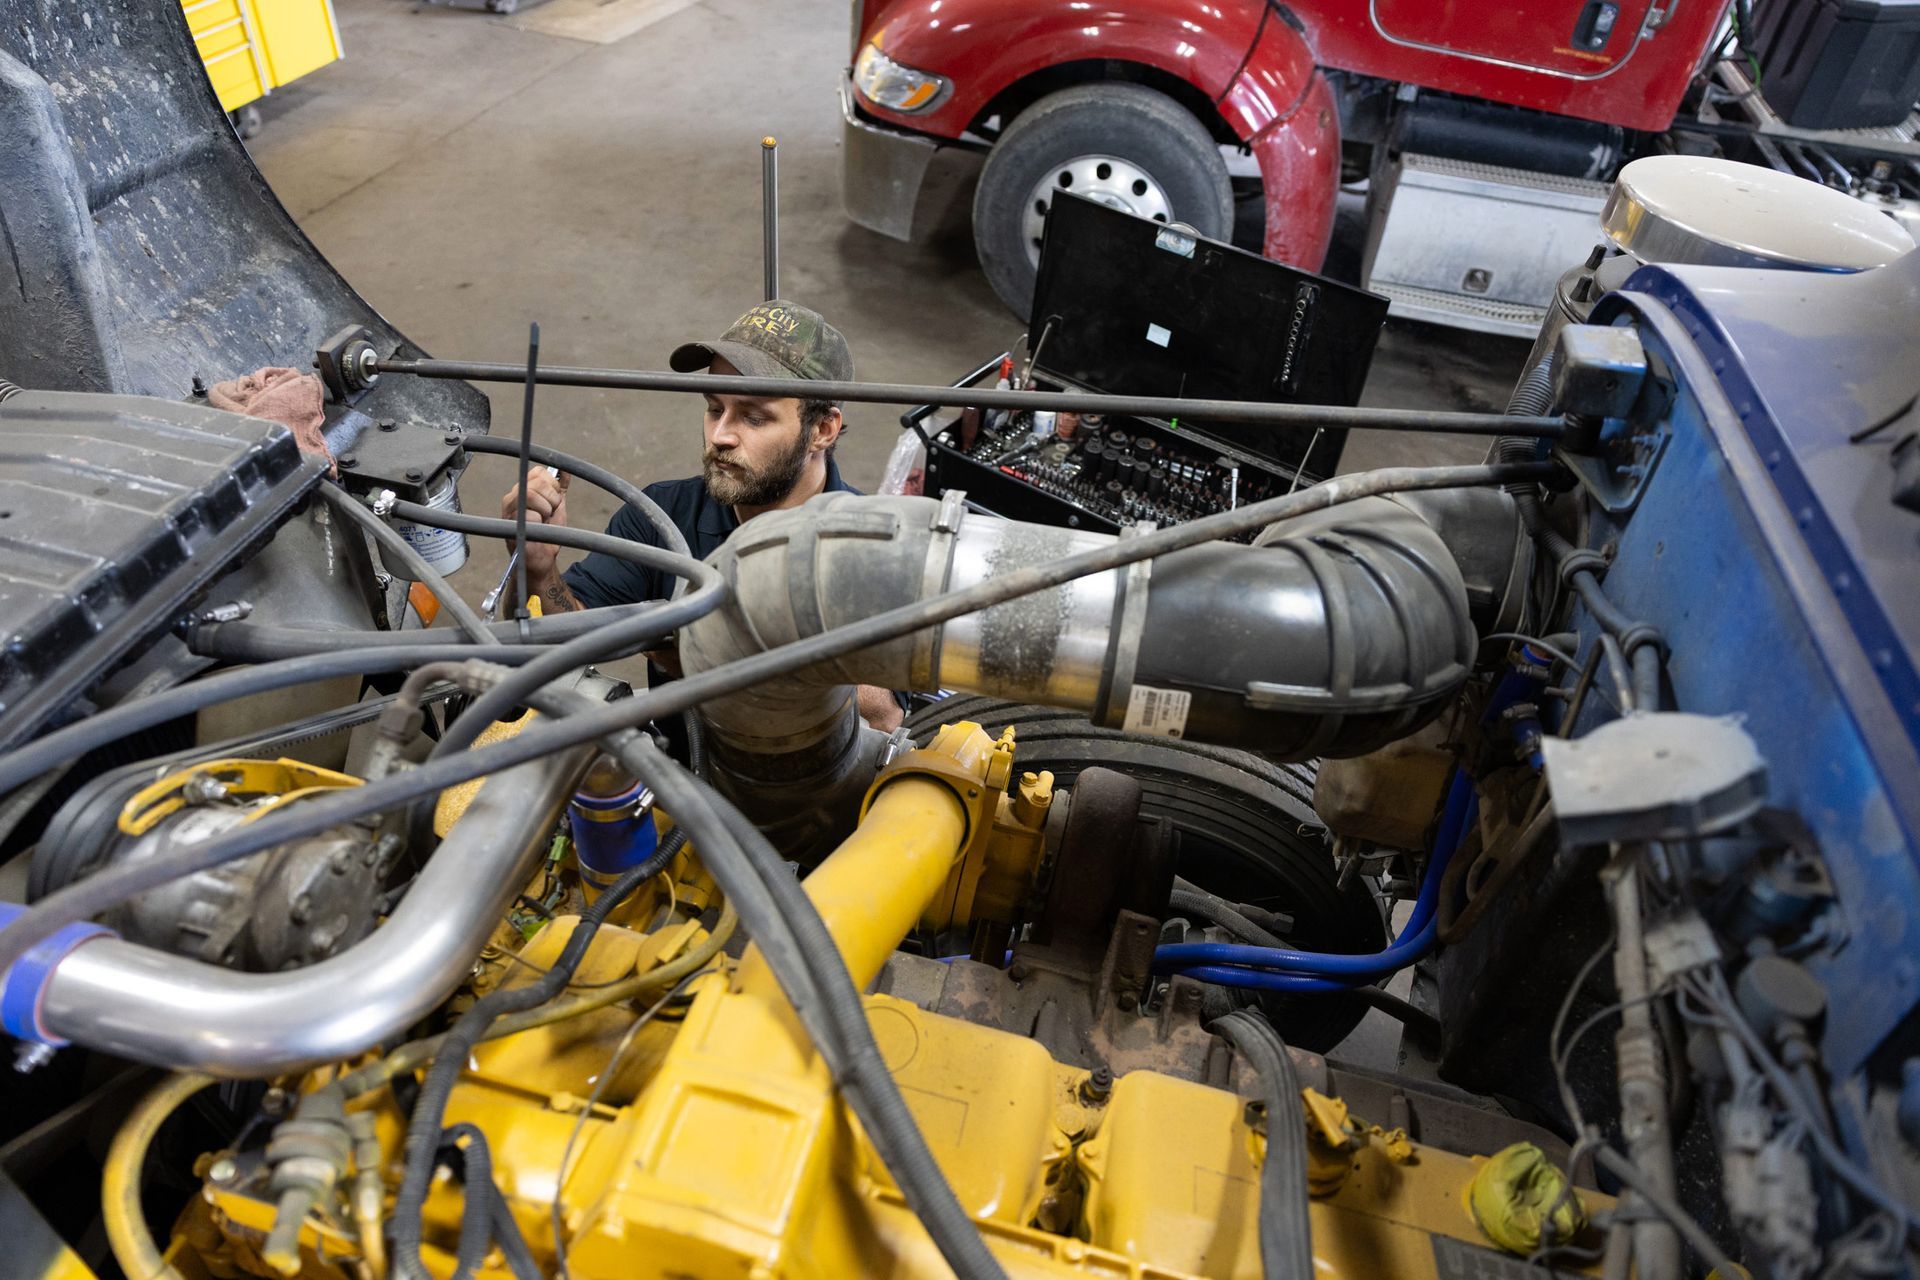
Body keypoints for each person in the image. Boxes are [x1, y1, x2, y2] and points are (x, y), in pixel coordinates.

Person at [500, 300, 906, 739]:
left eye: (754, 417)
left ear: (822, 430)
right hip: (679, 778)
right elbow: (556, 646)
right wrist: (538, 569)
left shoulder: (876, 548)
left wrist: (696, 652)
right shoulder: (661, 517)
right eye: (715, 408)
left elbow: (883, 716)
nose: (721, 436)